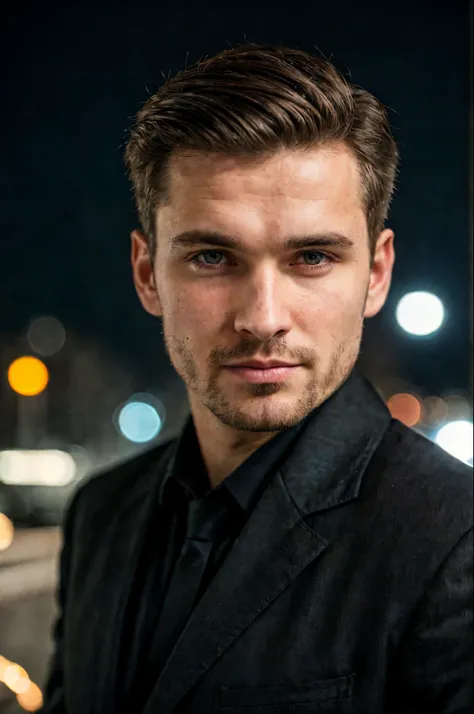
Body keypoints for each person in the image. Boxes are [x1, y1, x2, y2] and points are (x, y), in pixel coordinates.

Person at [41, 44, 473, 714]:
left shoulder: (456, 539)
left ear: (377, 274)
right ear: (148, 272)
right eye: (213, 256)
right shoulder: (101, 514)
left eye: (313, 257)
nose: (262, 318)